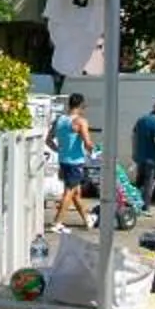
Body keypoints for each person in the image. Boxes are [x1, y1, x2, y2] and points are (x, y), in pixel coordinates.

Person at [50, 94, 96, 227]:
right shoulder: (80, 121)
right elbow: (87, 143)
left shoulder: (59, 120)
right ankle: (57, 222)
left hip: (63, 160)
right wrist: (94, 150)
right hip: (75, 162)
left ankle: (87, 219)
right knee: (69, 192)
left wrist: (59, 149)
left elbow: (49, 139)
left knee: (76, 193)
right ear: (81, 106)